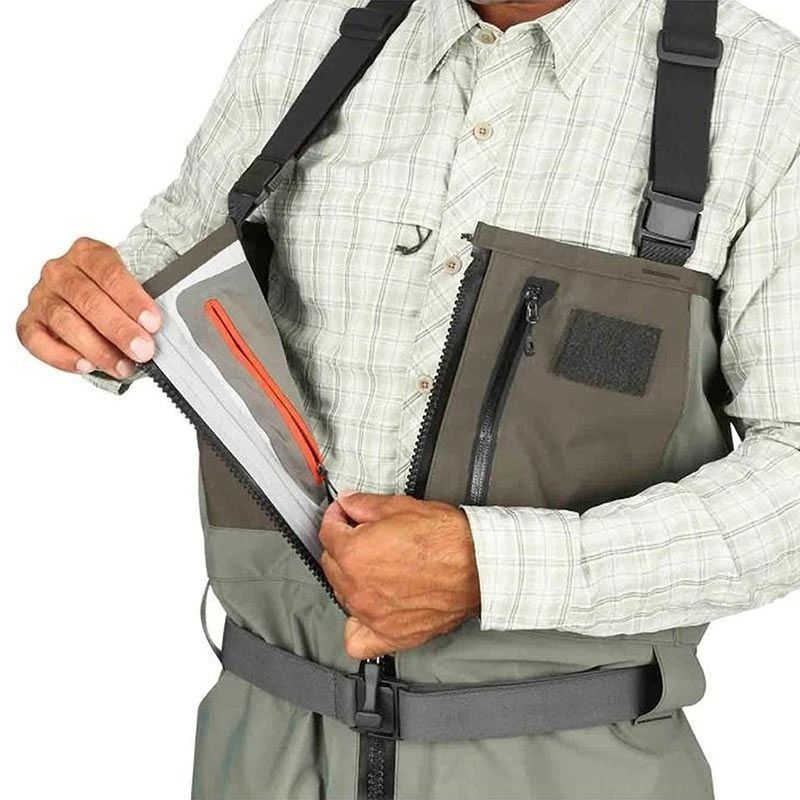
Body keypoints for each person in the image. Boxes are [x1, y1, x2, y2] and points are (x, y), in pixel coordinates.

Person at [15, 1, 800, 798]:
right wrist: (95, 307)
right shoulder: (306, 31)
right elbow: (175, 254)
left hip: (570, 765)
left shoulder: (766, 89)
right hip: (258, 750)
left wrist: (492, 568)